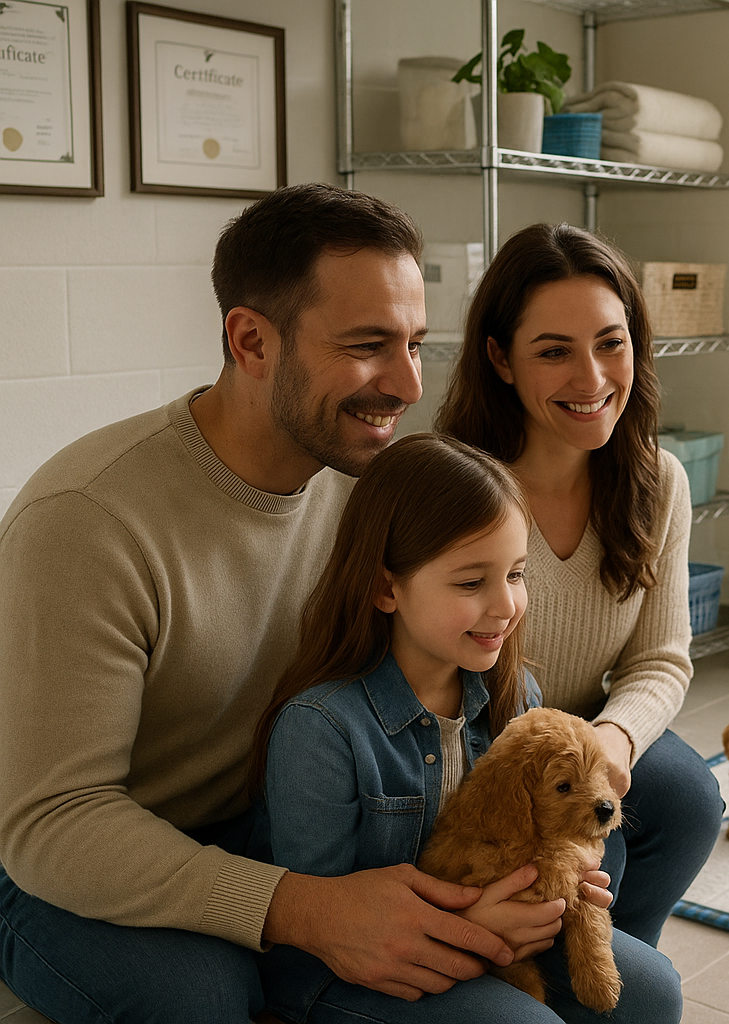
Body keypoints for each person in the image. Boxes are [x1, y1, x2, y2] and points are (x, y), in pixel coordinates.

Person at [0, 183, 527, 1021]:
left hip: (282, 821)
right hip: (75, 868)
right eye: (367, 346)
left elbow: (469, 630)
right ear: (250, 340)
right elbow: (55, 824)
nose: (405, 383)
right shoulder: (85, 522)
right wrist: (303, 911)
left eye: (415, 344)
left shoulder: (362, 487)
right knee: (204, 995)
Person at [251, 433, 682, 1024]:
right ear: (385, 587)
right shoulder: (321, 729)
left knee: (653, 991)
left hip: (498, 929)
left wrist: (568, 881)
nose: (506, 605)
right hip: (354, 972)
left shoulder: (515, 695)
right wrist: (469, 925)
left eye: (517, 574)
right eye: (471, 582)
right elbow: (328, 925)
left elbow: (553, 831)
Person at [436, 222, 723, 947]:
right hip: (480, 755)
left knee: (691, 799)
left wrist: (615, 739)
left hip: (584, 737)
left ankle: (623, 970)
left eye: (610, 343)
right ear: (500, 359)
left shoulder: (658, 480)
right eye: (554, 352)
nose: (592, 379)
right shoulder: (456, 488)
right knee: (602, 856)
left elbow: (660, 657)